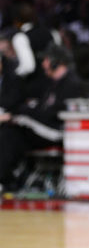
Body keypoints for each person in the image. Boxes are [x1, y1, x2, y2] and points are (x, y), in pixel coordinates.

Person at [0, 43, 81, 193]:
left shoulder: (71, 84)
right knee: (10, 131)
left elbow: (54, 113)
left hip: (56, 132)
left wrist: (19, 114)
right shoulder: (52, 84)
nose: (43, 64)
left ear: (56, 61)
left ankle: (6, 178)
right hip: (42, 128)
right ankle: (8, 178)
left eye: (46, 60)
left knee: (13, 127)